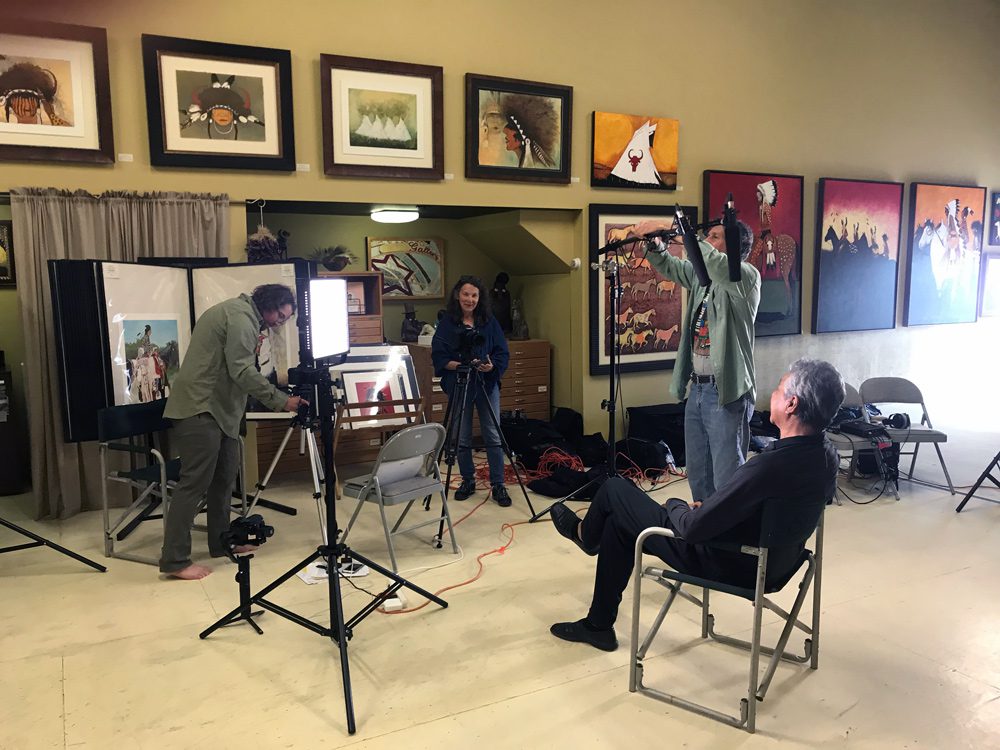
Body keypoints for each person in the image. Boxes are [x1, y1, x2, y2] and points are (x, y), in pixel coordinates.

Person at [547, 359, 844, 651]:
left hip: (727, 560)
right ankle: (598, 626)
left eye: (779, 389)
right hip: (779, 562)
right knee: (619, 521)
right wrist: (715, 510)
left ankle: (586, 535)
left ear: (791, 404)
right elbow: (781, 508)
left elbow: (691, 529)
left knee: (614, 489)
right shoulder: (826, 455)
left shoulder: (767, 467)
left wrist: (678, 504)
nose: (773, 394)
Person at [159, 284, 307, 580]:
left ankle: (220, 541)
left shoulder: (242, 315)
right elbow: (241, 371)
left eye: (285, 317)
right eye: (279, 313)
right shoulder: (240, 318)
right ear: (267, 304)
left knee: (225, 478)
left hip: (219, 411)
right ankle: (174, 561)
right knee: (194, 485)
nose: (279, 320)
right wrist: (281, 401)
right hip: (200, 410)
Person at [638, 217, 761, 504]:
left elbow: (715, 263)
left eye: (715, 237)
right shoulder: (702, 278)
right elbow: (672, 267)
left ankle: (729, 537)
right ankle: (704, 533)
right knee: (698, 471)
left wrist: (685, 234)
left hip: (725, 391)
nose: (707, 241)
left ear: (733, 247)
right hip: (699, 388)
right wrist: (655, 245)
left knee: (727, 474)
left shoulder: (745, 276)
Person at [432, 275, 511, 506]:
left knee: (493, 435)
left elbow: (501, 352)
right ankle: (468, 479)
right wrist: (461, 365)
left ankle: (499, 484)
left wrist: (491, 366)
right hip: (460, 384)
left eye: (474, 295)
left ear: (480, 298)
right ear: (458, 295)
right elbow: (439, 355)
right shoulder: (448, 323)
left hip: (486, 384)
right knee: (462, 435)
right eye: (466, 294)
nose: (470, 299)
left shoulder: (489, 321)